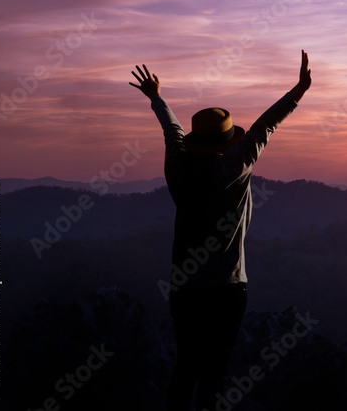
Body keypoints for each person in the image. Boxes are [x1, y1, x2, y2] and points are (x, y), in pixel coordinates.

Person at [129, 50, 312, 411]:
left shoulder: (178, 165)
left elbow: (172, 130)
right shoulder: (238, 163)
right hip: (229, 289)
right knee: (214, 376)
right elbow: (266, 125)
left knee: (186, 368)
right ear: (228, 140)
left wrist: (156, 97)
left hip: (186, 289)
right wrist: (298, 90)